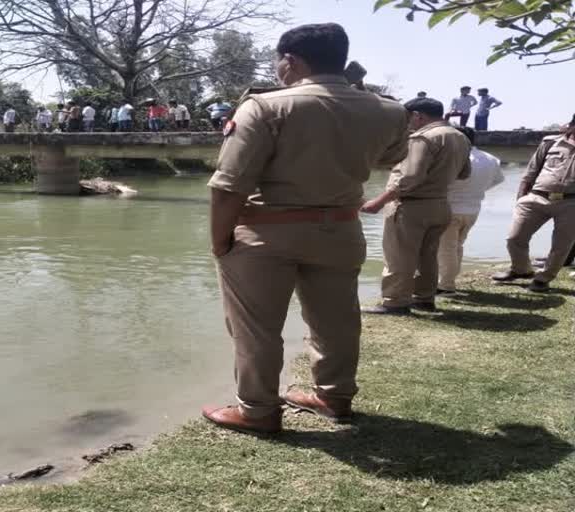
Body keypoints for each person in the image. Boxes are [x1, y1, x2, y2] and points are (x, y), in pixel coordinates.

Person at [201, 23, 410, 435]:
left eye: (279, 61)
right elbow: (391, 158)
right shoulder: (389, 110)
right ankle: (333, 397)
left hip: (266, 234)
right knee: (336, 320)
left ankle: (258, 411)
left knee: (257, 329)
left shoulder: (264, 106)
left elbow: (229, 187)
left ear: (291, 60)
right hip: (341, 229)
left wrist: (220, 243)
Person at [361, 97, 471, 315]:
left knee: (398, 255)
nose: (407, 124)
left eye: (408, 118)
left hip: (412, 207)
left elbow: (410, 177)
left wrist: (379, 201)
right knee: (427, 256)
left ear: (418, 115)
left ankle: (394, 302)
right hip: (440, 204)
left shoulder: (423, 138)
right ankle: (424, 299)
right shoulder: (460, 137)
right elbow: (464, 173)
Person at [491, 114, 575, 292]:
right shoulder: (550, 143)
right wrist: (521, 198)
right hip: (537, 197)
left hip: (571, 202)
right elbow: (531, 171)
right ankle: (521, 270)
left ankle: (543, 279)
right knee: (515, 237)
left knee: (561, 246)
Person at [437, 127, 504, 296]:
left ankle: (446, 286)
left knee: (446, 249)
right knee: (457, 246)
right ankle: (449, 281)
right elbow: (497, 180)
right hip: (473, 209)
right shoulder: (491, 159)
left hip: (449, 208)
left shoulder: (453, 158)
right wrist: (475, 192)